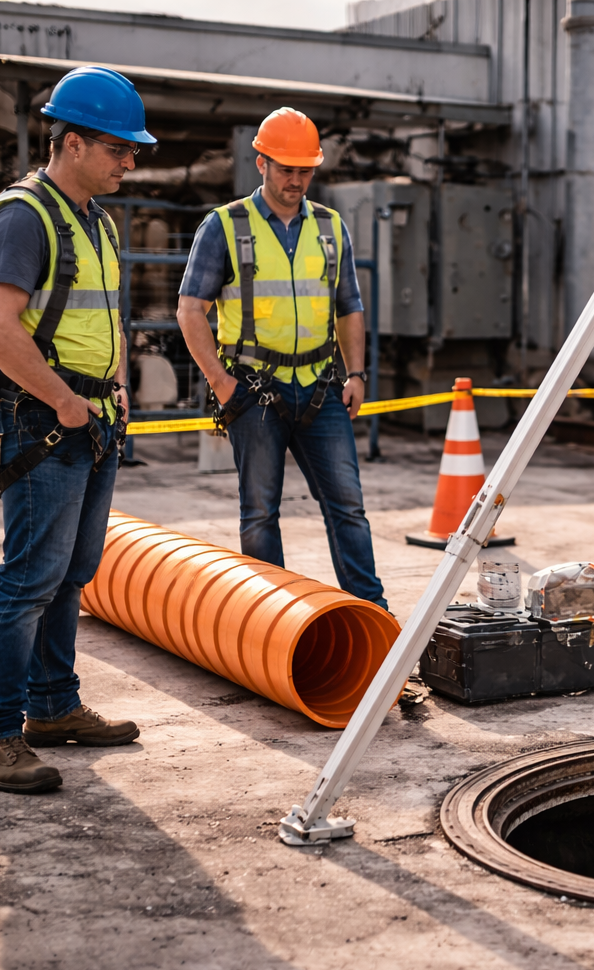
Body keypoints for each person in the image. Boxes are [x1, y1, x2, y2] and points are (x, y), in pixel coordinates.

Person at [0, 66, 153, 794]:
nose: (129, 162)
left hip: (91, 418)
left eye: (132, 150)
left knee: (71, 574)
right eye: (118, 148)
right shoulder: (22, 217)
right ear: (73, 143)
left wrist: (116, 388)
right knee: (28, 580)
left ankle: (51, 707)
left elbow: (103, 320)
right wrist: (65, 401)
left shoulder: (96, 221)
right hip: (42, 420)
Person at [177, 108, 386, 608]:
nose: (296, 180)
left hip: (321, 387)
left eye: (305, 170)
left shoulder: (330, 227)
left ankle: (373, 612)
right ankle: (274, 619)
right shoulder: (224, 226)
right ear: (261, 164)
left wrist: (356, 374)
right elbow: (189, 311)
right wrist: (222, 383)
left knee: (348, 507)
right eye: (286, 169)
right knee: (259, 514)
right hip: (254, 392)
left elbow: (349, 307)